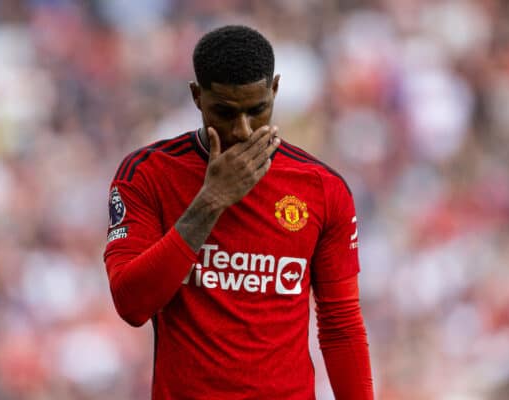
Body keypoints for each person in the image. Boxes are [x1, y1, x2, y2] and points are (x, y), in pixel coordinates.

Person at [104, 25, 374, 399]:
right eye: (225, 113)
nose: (243, 131)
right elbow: (131, 304)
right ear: (197, 97)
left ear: (275, 90)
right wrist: (210, 201)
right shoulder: (147, 175)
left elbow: (341, 325)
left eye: (257, 110)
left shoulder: (322, 188)